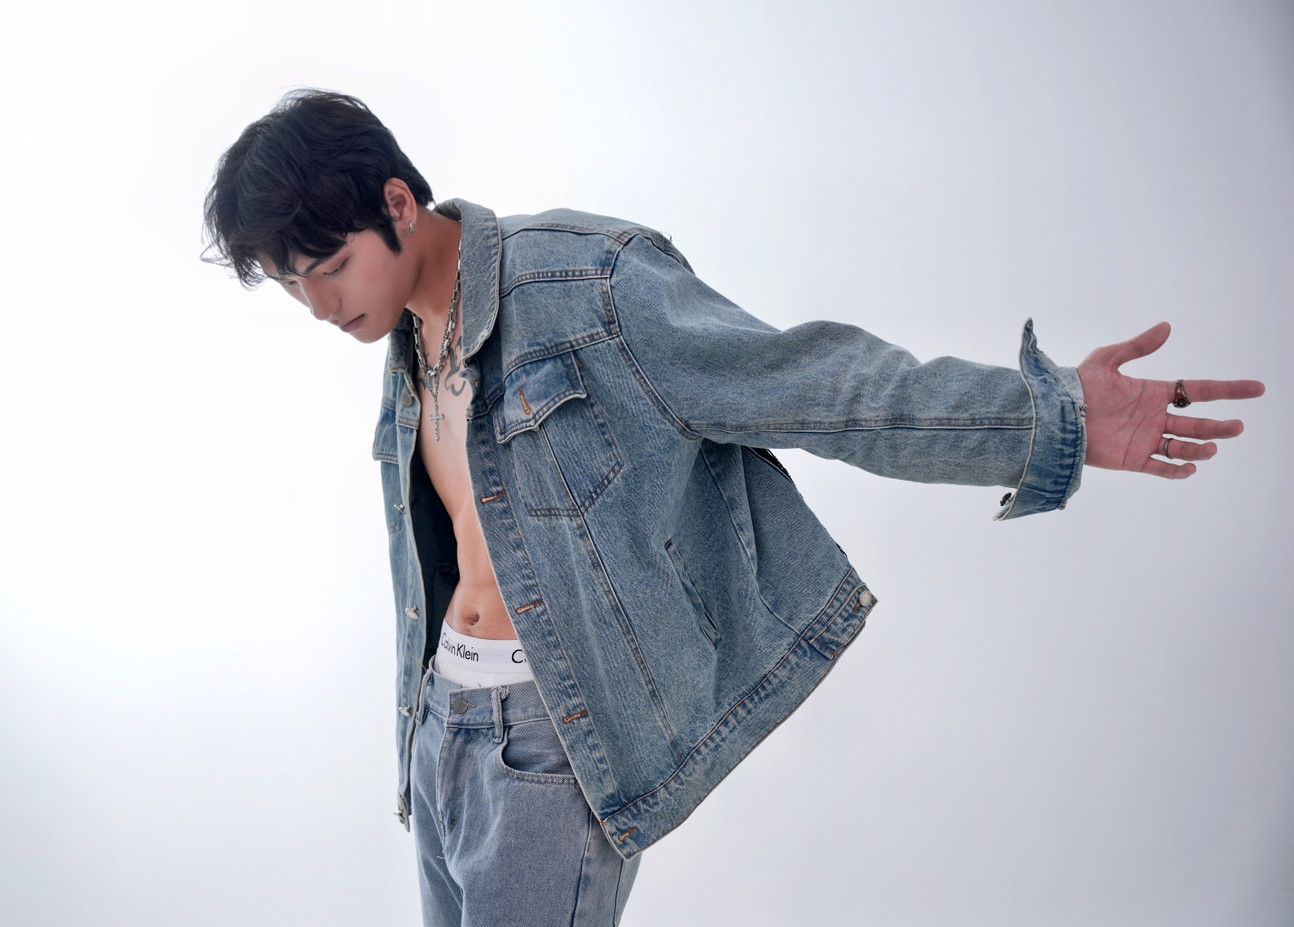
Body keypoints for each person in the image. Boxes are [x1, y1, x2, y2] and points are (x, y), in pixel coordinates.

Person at [202, 89, 1263, 927]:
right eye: (294, 285)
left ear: (397, 203)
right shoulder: (405, 337)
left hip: (548, 750)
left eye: (330, 269)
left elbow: (820, 386)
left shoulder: (588, 285)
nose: (320, 307)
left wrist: (1050, 418)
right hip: (440, 729)